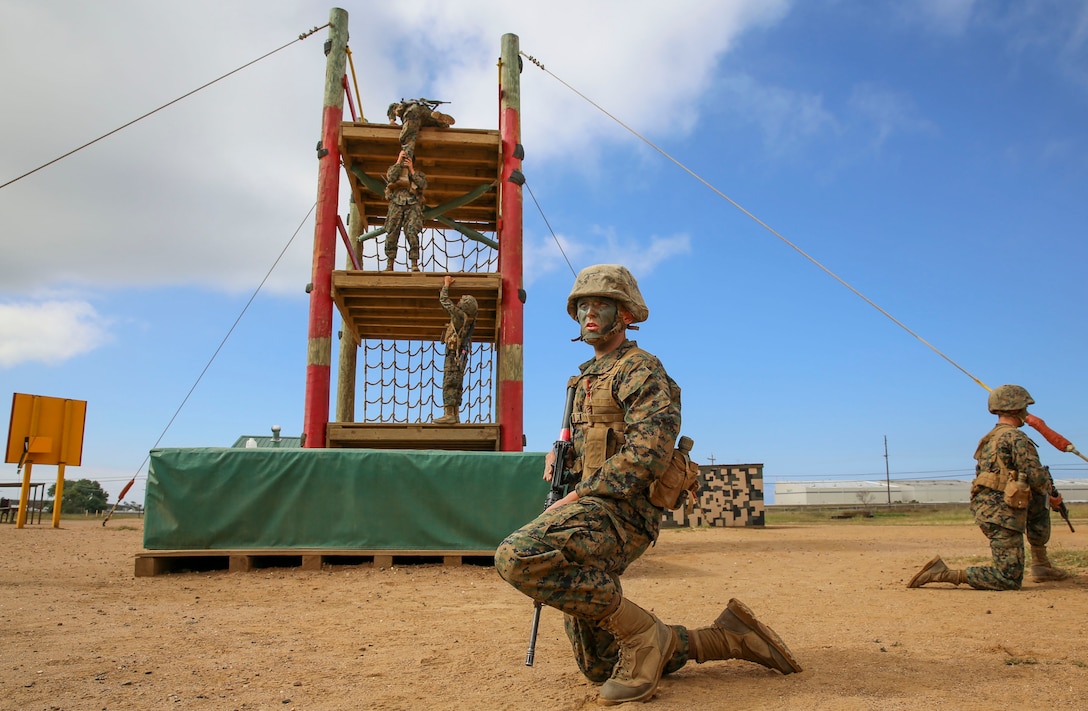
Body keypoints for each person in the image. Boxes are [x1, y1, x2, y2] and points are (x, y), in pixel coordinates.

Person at [494, 264, 801, 706]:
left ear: (626, 314)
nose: (589, 313)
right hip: (592, 506)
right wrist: (562, 458)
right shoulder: (583, 379)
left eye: (600, 304)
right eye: (582, 305)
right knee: (599, 666)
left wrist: (583, 491)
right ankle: (728, 639)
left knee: (517, 555)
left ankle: (644, 635)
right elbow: (599, 440)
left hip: (623, 511)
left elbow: (648, 453)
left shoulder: (640, 369)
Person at [908, 384, 1070, 590]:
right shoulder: (1016, 438)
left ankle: (1041, 565)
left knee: (1040, 501)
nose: (1027, 412)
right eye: (1024, 407)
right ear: (1017, 409)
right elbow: (1037, 478)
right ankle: (942, 573)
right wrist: (1053, 497)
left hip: (991, 509)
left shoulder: (990, 438)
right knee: (1008, 578)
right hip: (1002, 515)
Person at [433, 275, 477, 425]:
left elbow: (445, 302)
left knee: (449, 382)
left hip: (453, 354)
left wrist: (446, 286)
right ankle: (455, 415)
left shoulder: (460, 316)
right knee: (456, 383)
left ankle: (449, 414)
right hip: (460, 355)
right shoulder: (469, 318)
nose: (458, 302)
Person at [383, 152, 427, 272]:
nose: (405, 161)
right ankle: (389, 263)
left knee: (412, 232)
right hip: (396, 203)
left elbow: (422, 184)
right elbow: (390, 177)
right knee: (392, 232)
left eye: (408, 159)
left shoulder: (417, 175)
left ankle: (414, 263)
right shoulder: (395, 170)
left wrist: (411, 169)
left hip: (412, 204)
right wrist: (398, 160)